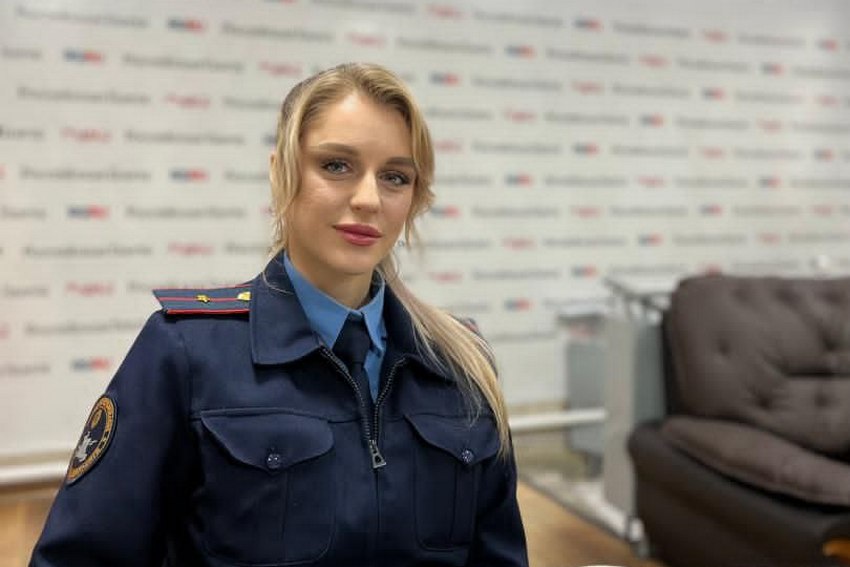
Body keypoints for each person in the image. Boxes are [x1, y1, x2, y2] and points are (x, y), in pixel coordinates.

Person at [30, 62, 529, 567]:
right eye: (336, 166)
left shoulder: (461, 364)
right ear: (280, 172)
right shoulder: (185, 354)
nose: (368, 199)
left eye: (395, 177)